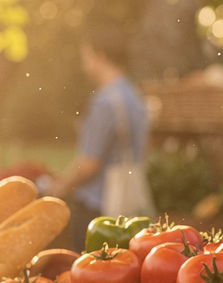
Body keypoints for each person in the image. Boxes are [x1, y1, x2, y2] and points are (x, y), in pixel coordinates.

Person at [47, 25, 149, 246]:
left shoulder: (105, 101)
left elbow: (89, 163)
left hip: (98, 208)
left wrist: (60, 187)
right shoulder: (134, 96)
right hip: (127, 206)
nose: (84, 65)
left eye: (86, 56)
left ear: (100, 56)